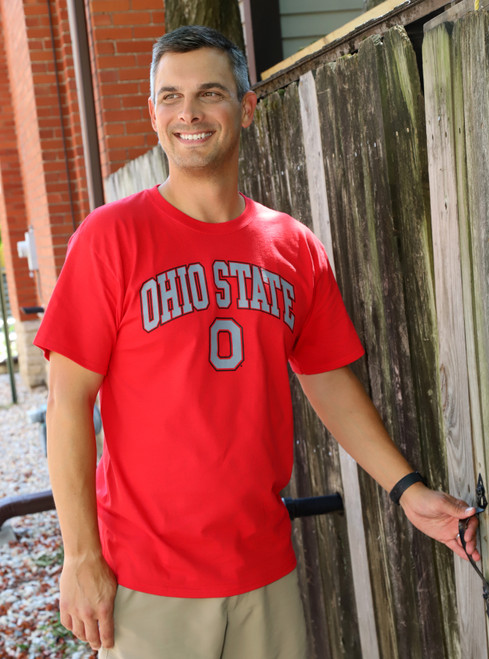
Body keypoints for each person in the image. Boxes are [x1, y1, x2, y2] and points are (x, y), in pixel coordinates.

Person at [34, 25, 480, 659]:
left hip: (264, 567)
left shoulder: (291, 247)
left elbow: (325, 377)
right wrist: (80, 555)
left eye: (208, 93)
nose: (186, 113)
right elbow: (67, 401)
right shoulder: (110, 238)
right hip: (147, 581)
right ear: (153, 113)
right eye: (169, 97)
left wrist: (407, 490)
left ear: (246, 106)